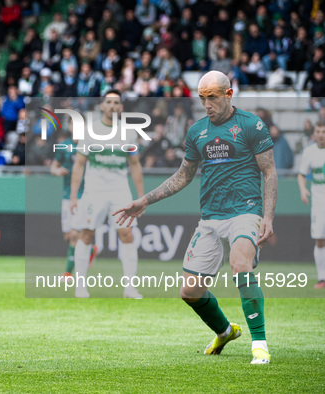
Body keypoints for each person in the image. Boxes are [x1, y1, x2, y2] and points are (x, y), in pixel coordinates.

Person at [113, 71, 278, 364]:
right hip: (210, 216)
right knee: (189, 290)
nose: (206, 104)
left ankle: (260, 343)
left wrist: (267, 216)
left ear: (228, 94)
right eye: (202, 98)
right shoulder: (197, 131)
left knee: (240, 263)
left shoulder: (252, 125)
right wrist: (145, 200)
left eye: (212, 97)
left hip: (245, 211)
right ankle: (225, 331)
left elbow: (269, 171)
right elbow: (183, 176)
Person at [70, 90, 144, 299]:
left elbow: (135, 164)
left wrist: (141, 197)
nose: (112, 106)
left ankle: (130, 287)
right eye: (109, 102)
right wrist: (74, 196)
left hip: (120, 188)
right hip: (94, 190)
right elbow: (79, 164)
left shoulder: (129, 132)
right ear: (102, 105)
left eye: (116, 102)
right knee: (86, 234)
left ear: (121, 107)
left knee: (127, 234)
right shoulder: (90, 130)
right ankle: (80, 286)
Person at [50, 130, 96, 280]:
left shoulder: (89, 146)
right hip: (67, 195)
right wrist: (58, 171)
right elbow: (53, 167)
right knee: (68, 235)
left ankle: (68, 273)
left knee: (74, 235)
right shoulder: (64, 146)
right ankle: (90, 250)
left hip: (84, 195)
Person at [298, 121, 325, 289]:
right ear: (314, 133)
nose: (321, 134)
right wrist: (303, 190)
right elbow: (301, 175)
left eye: (324, 131)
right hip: (319, 201)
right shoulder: (309, 152)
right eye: (318, 131)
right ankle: (322, 278)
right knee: (320, 239)